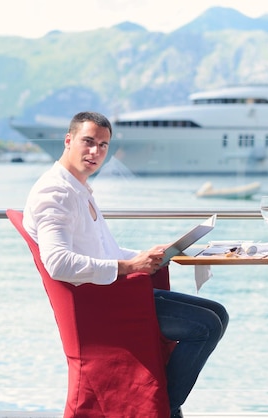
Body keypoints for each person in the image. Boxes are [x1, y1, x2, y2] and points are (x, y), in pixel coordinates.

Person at [22, 111, 228, 418]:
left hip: (110, 293)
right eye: (88, 142)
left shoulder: (77, 188)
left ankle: (162, 405)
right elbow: (58, 263)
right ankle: (162, 408)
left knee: (218, 314)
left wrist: (146, 256)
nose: (95, 152)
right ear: (68, 141)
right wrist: (131, 267)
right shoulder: (56, 194)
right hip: (101, 307)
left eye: (103, 145)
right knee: (206, 325)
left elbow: (104, 250)